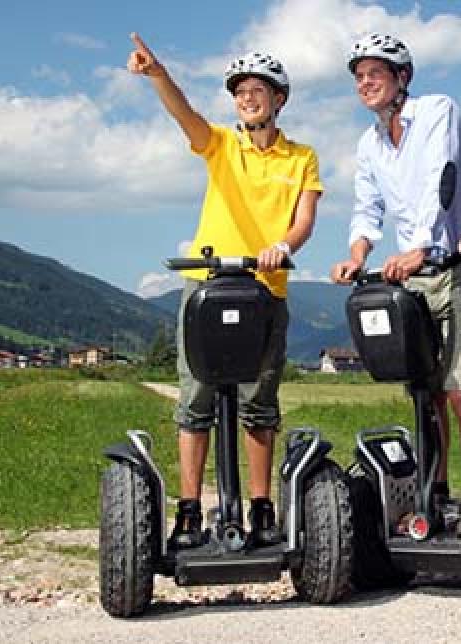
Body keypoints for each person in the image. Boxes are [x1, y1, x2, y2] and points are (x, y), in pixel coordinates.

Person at [127, 33, 322, 548]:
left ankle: (261, 508)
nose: (247, 98)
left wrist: (282, 245)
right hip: (207, 287)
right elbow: (184, 116)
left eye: (257, 90)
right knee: (196, 398)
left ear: (279, 98)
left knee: (258, 400)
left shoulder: (301, 157)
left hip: (265, 288)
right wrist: (159, 75)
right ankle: (190, 511)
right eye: (240, 92)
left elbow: (303, 221)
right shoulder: (220, 144)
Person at [330, 33, 461, 515]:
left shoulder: (438, 110)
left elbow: (442, 179)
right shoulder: (369, 142)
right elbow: (367, 207)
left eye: (374, 74)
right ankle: (435, 495)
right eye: (359, 77)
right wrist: (357, 254)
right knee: (425, 393)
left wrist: (420, 246)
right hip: (415, 275)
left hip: (459, 264)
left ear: (402, 77)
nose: (365, 83)